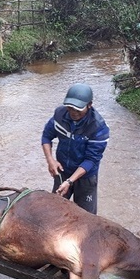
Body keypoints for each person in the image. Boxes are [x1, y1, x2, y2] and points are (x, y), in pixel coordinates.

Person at [41, 83, 110, 214]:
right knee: (54, 212)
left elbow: (91, 160)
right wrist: (50, 161)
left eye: (78, 109)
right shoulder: (60, 115)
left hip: (85, 178)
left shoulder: (98, 127)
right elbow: (46, 136)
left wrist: (70, 181)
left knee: (86, 218)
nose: (73, 112)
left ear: (89, 105)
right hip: (62, 172)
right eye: (70, 107)